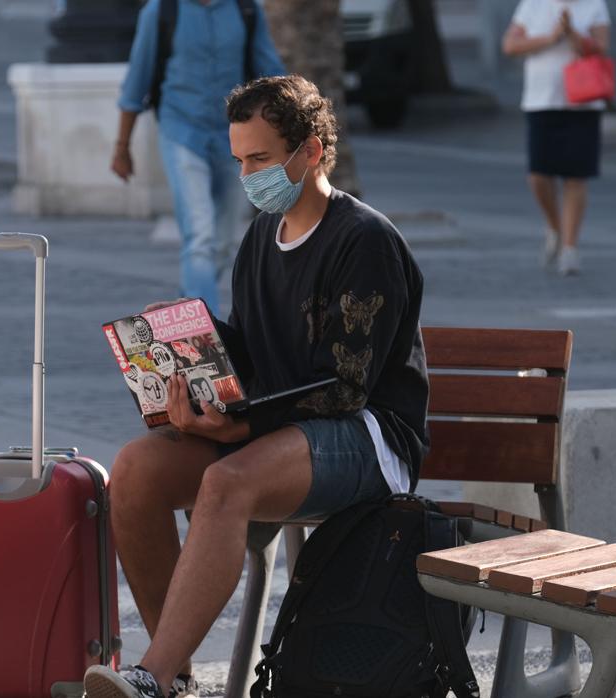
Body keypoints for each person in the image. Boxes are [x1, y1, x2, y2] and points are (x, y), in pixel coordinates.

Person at [84, 75, 429, 698]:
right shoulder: (259, 239)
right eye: (240, 160)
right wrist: (188, 346)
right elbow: (252, 349)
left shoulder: (365, 240)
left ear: (311, 152)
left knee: (226, 480)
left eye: (262, 159)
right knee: (133, 471)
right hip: (281, 431)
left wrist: (240, 426)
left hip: (368, 438)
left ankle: (152, 676)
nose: (248, 175)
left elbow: (345, 388)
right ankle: (174, 673)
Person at [113, 0, 286, 314]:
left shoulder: (246, 9)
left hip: (235, 139)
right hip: (182, 132)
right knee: (201, 236)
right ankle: (205, 338)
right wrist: (121, 147)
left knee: (221, 244)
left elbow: (271, 73)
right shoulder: (161, 11)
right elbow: (136, 80)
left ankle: (188, 305)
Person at [502, 0, 611, 276]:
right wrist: (551, 37)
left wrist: (572, 33)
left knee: (576, 177)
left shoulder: (594, 5)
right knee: (538, 175)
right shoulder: (534, 4)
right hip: (541, 101)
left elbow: (601, 48)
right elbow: (510, 45)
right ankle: (555, 226)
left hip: (583, 104)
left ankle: (570, 249)